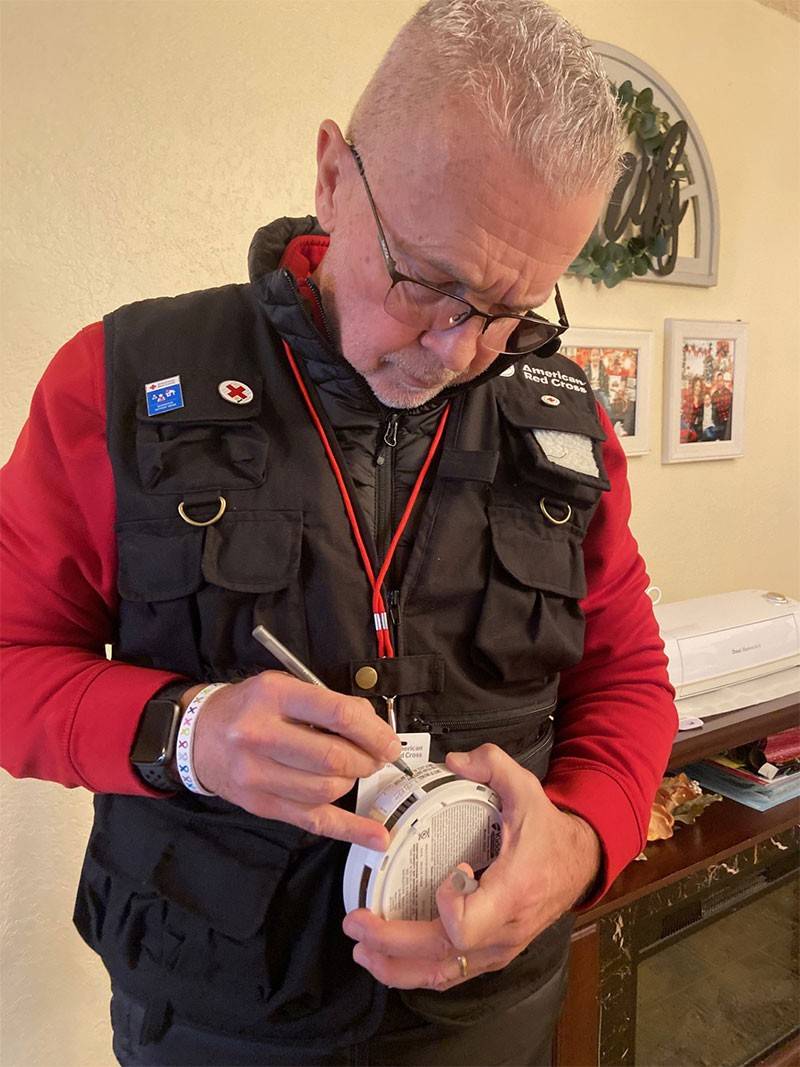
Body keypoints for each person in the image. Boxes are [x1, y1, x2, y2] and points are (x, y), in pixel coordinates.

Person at [0, 1, 677, 1064]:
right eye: (425, 279)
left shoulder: (563, 416)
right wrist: (187, 731)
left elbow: (627, 675)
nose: (458, 348)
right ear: (330, 174)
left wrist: (584, 839)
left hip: (491, 1012)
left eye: (512, 310)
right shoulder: (119, 380)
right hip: (214, 1015)